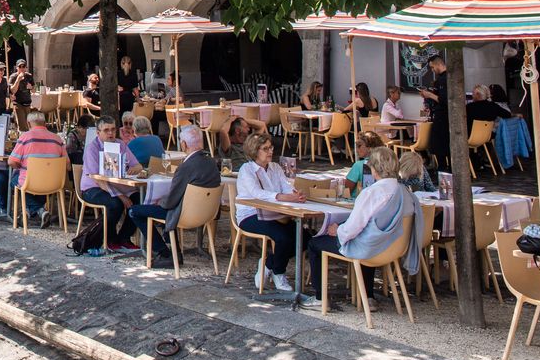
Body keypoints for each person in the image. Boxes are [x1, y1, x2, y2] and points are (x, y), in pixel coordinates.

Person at [300, 146, 420, 309]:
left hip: (372, 249)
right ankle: (368, 297)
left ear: (374, 169)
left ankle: (320, 298)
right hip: (394, 247)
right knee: (367, 236)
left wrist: (338, 231)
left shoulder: (372, 192)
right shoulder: (406, 192)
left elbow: (353, 228)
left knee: (316, 244)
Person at [128, 126, 219, 265]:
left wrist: (159, 202)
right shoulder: (212, 163)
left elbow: (170, 201)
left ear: (184, 144)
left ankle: (164, 253)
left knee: (135, 211)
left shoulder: (186, 167)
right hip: (206, 214)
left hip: (184, 215)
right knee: (167, 207)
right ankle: (175, 253)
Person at [234, 132, 305, 292]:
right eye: (265, 149)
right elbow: (257, 194)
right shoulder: (247, 170)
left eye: (271, 147)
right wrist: (281, 196)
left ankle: (269, 263)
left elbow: (285, 185)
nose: (270, 151)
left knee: (305, 237)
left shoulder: (275, 167)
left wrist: (294, 194)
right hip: (250, 214)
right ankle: (279, 272)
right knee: (283, 237)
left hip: (276, 214)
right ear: (255, 151)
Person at [79, 117, 140, 249]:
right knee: (115, 204)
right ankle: (109, 239)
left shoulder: (120, 144)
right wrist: (120, 196)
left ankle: (124, 237)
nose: (110, 133)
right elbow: (97, 179)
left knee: (140, 199)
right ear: (98, 133)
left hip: (118, 186)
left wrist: (134, 168)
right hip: (92, 188)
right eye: (106, 130)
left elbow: (137, 165)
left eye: (113, 129)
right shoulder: (92, 148)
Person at [7, 111, 68, 228]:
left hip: (30, 182)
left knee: (14, 180)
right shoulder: (57, 139)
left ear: (29, 124)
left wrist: (20, 167)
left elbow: (11, 161)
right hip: (54, 183)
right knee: (32, 183)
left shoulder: (25, 137)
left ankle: (37, 211)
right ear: (45, 123)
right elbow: (67, 164)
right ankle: (35, 212)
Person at [418, 53, 450, 169]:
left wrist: (430, 95)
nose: (432, 70)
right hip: (441, 115)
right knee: (440, 146)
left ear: (438, 64)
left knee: (440, 145)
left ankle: (443, 170)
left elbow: (444, 100)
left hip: (443, 116)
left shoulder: (444, 79)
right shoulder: (442, 79)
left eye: (432, 67)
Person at [344, 132, 387, 198]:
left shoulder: (358, 165)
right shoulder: (387, 163)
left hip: (359, 201)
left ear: (370, 147)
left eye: (359, 146)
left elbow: (347, 190)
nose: (356, 149)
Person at [10, 59, 34, 130]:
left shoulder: (29, 76)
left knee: (29, 125)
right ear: (17, 68)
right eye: (20, 66)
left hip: (27, 103)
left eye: (24, 66)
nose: (22, 68)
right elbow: (12, 90)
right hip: (17, 103)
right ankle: (22, 139)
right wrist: (18, 79)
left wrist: (31, 87)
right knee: (22, 125)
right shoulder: (13, 77)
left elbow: (34, 90)